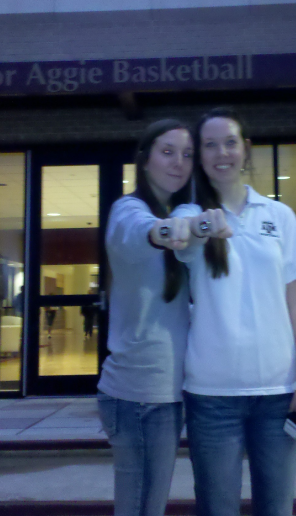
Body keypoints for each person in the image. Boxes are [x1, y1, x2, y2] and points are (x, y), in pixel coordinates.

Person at [172, 107, 296, 516]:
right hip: (211, 396)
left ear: (246, 149)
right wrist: (206, 227)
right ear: (200, 156)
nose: (221, 152)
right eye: (209, 145)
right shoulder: (189, 213)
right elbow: (180, 238)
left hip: (277, 394)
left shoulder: (279, 216)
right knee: (216, 508)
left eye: (230, 142)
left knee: (276, 508)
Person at [97, 118, 197, 516]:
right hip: (137, 394)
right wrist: (165, 231)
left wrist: (188, 223)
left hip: (168, 394)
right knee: (140, 508)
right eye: (168, 152)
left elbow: (188, 222)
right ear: (145, 160)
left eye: (187, 155)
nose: (178, 163)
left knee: (150, 506)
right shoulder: (127, 209)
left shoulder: (186, 209)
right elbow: (140, 231)